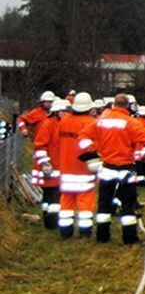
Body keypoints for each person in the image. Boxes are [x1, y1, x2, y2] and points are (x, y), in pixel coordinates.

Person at [81, 93, 145, 244]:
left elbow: (83, 136)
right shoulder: (130, 122)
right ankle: (129, 238)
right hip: (125, 168)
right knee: (128, 205)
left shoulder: (101, 121)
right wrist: (142, 156)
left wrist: (94, 151)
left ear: (114, 104)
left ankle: (102, 236)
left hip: (106, 167)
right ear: (127, 106)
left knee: (104, 203)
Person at [54, 93, 100, 239]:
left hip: (66, 169)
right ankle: (85, 232)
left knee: (66, 200)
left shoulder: (63, 122)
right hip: (84, 169)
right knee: (85, 201)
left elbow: (56, 143)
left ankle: (65, 232)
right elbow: (95, 147)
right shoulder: (92, 123)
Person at [32, 97, 69, 229]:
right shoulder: (48, 124)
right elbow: (40, 146)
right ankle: (51, 222)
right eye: (64, 112)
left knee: (51, 197)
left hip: (56, 167)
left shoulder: (58, 124)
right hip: (50, 168)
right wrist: (45, 164)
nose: (66, 114)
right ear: (57, 112)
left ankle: (50, 220)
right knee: (52, 197)